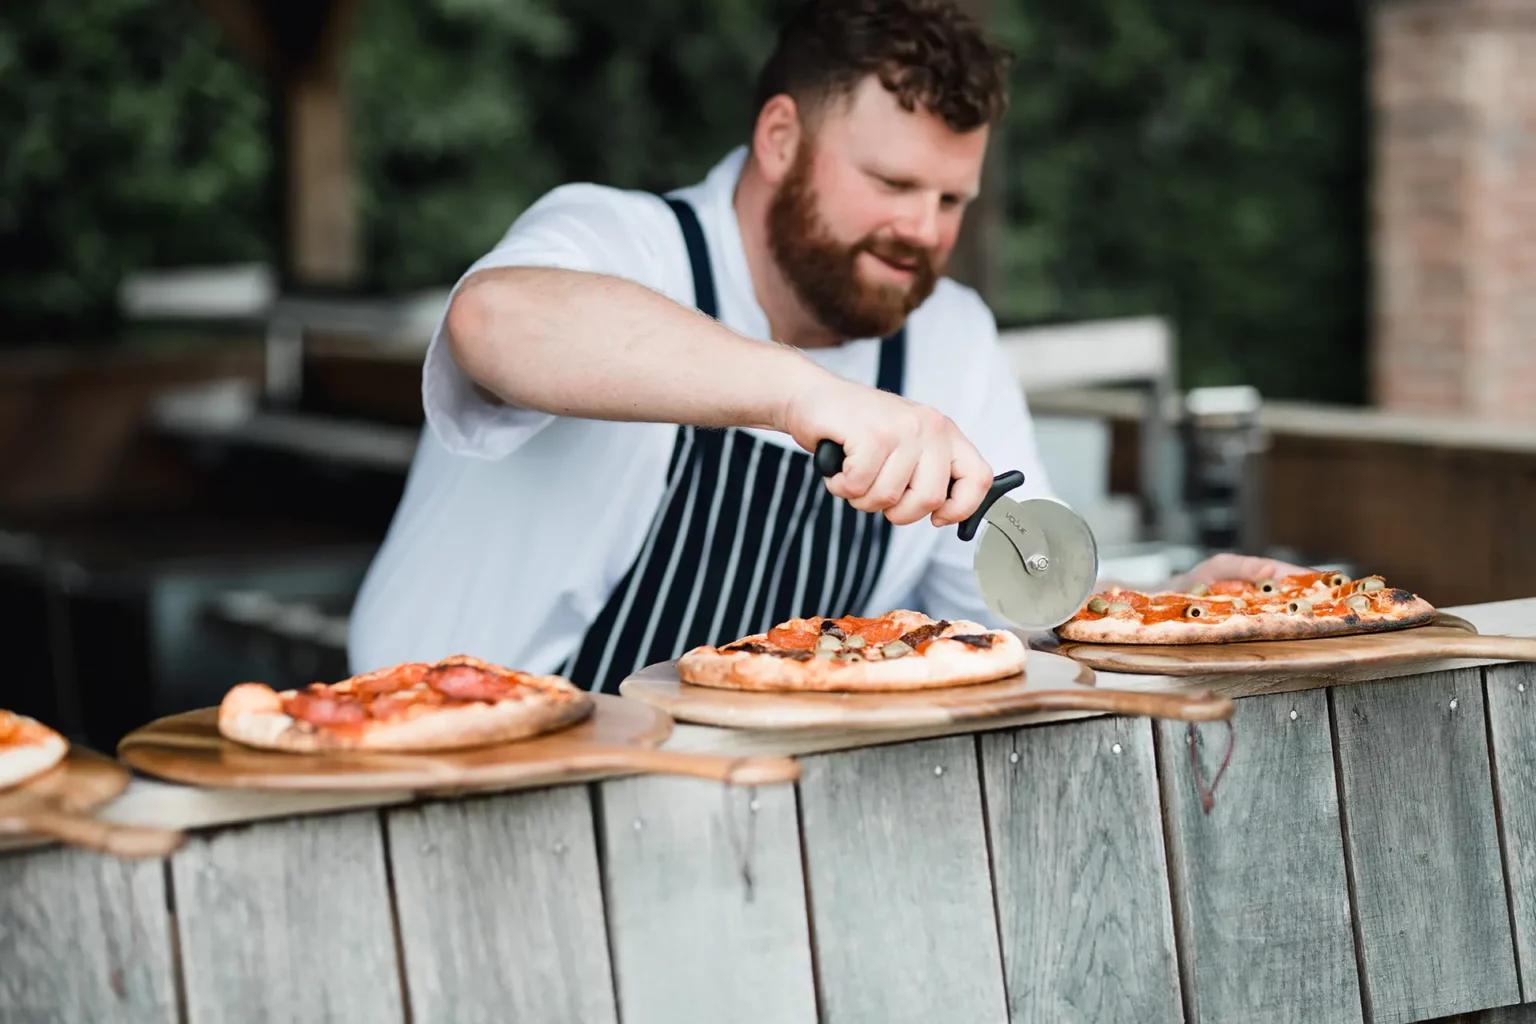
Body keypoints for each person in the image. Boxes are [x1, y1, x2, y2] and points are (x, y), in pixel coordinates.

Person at [347, 0, 1302, 688]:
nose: (922, 230)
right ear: (778, 139)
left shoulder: (948, 338)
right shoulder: (621, 241)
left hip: (761, 824)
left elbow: (1011, 601)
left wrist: (1166, 607)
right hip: (462, 777)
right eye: (890, 183)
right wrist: (803, 394)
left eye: (950, 200)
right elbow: (491, 323)